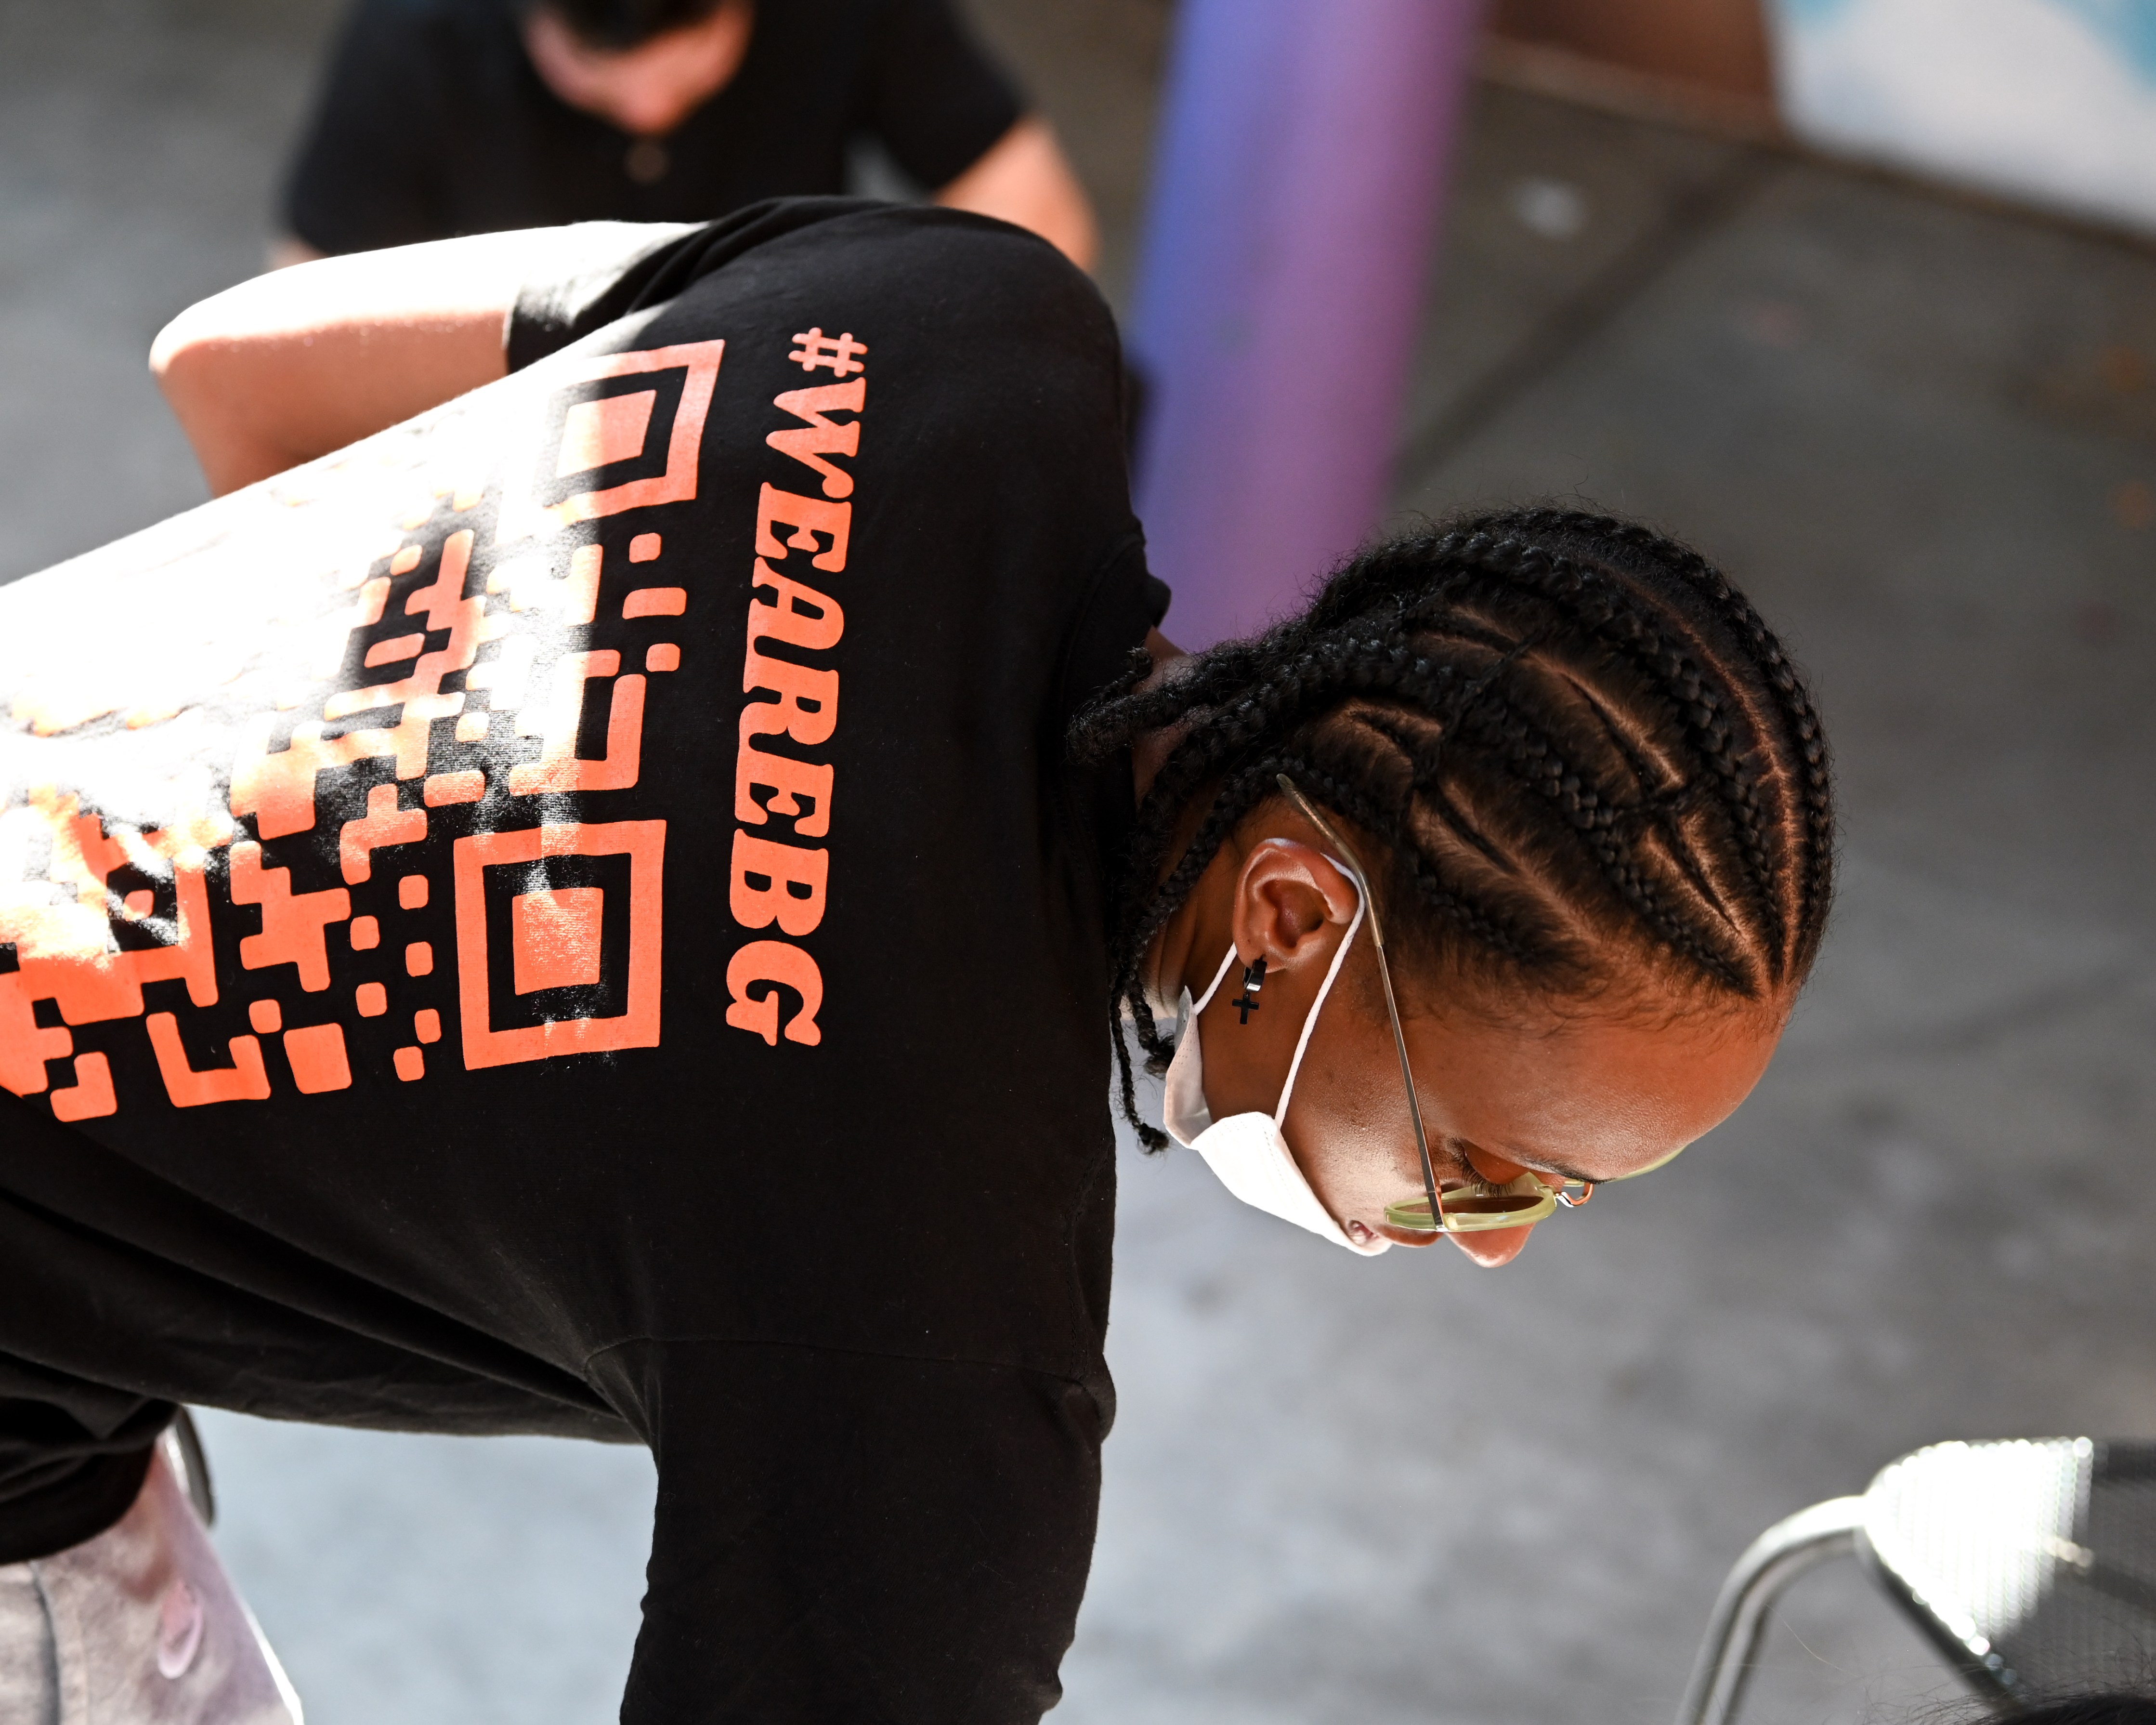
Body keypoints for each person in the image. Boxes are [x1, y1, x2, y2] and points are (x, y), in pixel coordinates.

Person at [0, 198, 1833, 1721]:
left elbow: (235, 371)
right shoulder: (934, 1345)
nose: (1500, 1244)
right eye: (1493, 1172)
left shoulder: (953, 330)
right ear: (1288, 915)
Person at [276, 0, 1098, 268]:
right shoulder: (417, 32)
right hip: (506, 401)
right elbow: (301, 293)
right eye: (594, 69)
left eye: (690, 64)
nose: (646, 109)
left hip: (781, 380)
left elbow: (1038, 218)